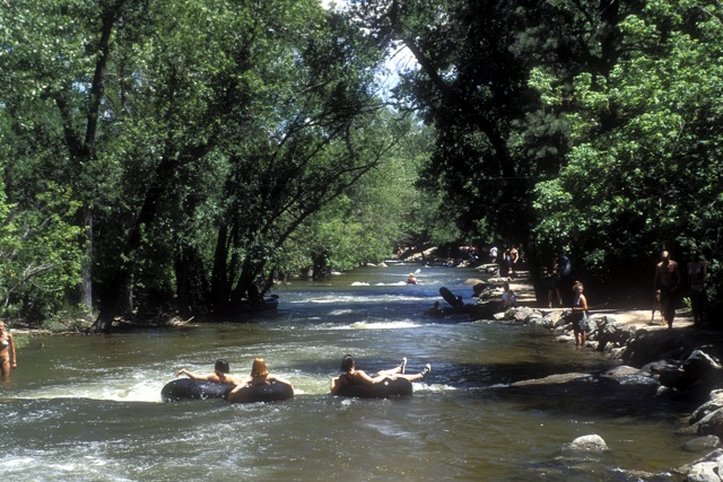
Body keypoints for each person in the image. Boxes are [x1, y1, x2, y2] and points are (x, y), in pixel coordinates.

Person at [330, 355, 431, 395]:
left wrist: (333, 379)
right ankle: (420, 376)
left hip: (365, 382)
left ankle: (400, 368)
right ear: (353, 363)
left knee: (381, 372)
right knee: (387, 375)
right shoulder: (358, 373)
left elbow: (333, 391)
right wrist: (386, 377)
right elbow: (372, 382)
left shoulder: (343, 378)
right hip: (374, 382)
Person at [227, 357, 293, 398]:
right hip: (272, 396)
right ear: (265, 366)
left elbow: (232, 393)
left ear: (253, 367)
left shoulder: (249, 379)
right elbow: (289, 384)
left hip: (255, 398)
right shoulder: (271, 377)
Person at [653, 250, 681, 329]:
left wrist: (676, 286)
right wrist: (656, 290)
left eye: (665, 259)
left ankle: (670, 324)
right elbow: (656, 278)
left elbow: (679, 277)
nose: (664, 261)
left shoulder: (674, 264)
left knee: (671, 306)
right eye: (662, 259)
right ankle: (667, 321)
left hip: (672, 287)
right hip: (664, 287)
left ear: (669, 257)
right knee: (665, 306)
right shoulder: (659, 266)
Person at [176, 358, 244, 385]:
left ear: (216, 368)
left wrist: (184, 371)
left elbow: (195, 377)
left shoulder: (212, 376)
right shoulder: (231, 377)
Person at [687, 249, 707, 327]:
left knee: (700, 304)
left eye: (694, 255)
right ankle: (695, 321)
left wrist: (702, 286)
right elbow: (688, 277)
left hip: (700, 286)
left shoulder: (702, 264)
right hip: (692, 286)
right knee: (694, 304)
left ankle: (701, 321)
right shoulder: (689, 264)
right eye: (692, 255)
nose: (693, 256)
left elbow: (704, 276)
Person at [569, 281, 589, 346]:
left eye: (581, 289)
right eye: (578, 290)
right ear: (575, 290)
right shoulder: (576, 297)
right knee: (575, 331)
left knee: (582, 331)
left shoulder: (582, 297)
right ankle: (577, 343)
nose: (580, 291)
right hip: (575, 316)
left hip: (581, 316)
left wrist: (577, 309)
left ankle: (582, 344)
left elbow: (585, 308)